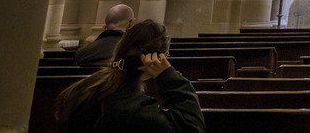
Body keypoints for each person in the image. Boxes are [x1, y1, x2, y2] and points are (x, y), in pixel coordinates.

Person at [55, 19, 204, 133]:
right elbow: (191, 128)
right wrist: (168, 76)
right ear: (155, 60)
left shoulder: (88, 86)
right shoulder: (132, 109)